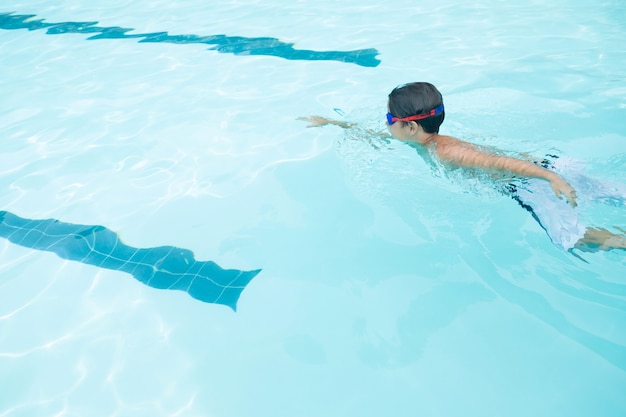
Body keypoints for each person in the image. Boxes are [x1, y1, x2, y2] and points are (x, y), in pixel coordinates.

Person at [299, 82, 626, 252]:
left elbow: (495, 162)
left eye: (389, 119)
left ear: (410, 127)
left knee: (573, 239)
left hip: (531, 182)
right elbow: (377, 137)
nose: (386, 125)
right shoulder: (426, 140)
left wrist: (551, 178)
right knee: (612, 192)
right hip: (539, 167)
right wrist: (333, 123)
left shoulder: (447, 152)